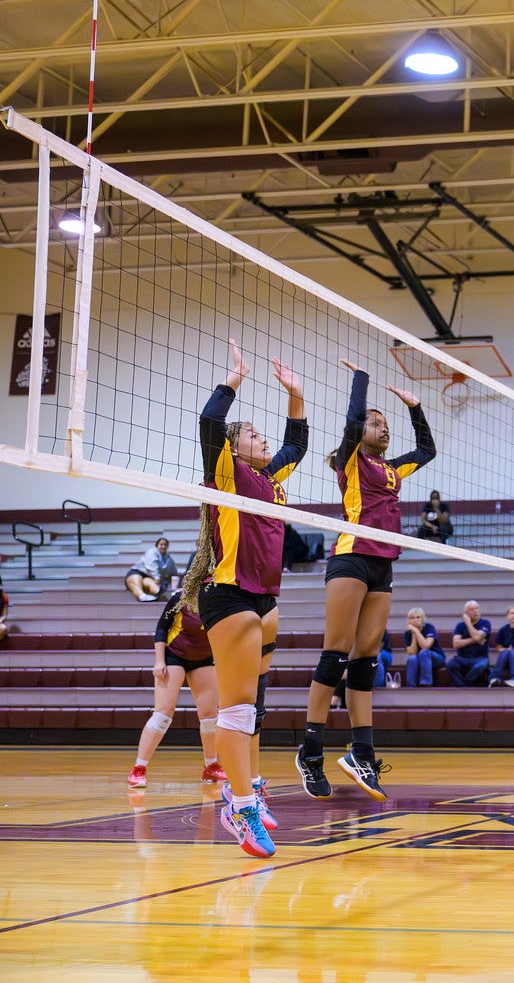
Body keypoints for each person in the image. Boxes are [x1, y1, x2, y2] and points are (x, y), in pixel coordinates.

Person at [187, 338, 306, 857]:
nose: (262, 438)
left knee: (253, 706)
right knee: (235, 712)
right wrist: (235, 379)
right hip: (230, 594)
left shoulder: (268, 477)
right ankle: (239, 807)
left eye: (262, 433)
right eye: (252, 434)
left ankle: (252, 787)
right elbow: (210, 423)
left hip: (263, 597)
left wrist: (295, 397)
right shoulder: (227, 472)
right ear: (235, 448)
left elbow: (296, 446)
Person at [297, 360, 434, 804]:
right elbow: (354, 422)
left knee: (366, 659)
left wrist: (414, 408)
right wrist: (362, 382)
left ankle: (361, 754)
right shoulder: (351, 460)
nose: (382, 428)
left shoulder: (394, 470)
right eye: (376, 423)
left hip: (383, 563)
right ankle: (312, 752)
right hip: (351, 557)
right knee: (335, 652)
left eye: (386, 424)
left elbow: (426, 450)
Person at [127, 591, 226, 790]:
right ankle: (138, 769)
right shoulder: (181, 598)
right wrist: (159, 661)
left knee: (210, 716)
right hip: (175, 655)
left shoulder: (222, 599)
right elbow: (162, 628)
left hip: (203, 658)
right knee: (163, 715)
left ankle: (211, 767)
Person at [447, 601, 492, 686]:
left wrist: (468, 623)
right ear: (466, 613)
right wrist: (475, 639)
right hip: (462, 658)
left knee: (481, 666)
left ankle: (464, 685)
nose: (475, 611)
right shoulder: (460, 625)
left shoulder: (485, 623)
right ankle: (463, 686)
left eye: (477, 608)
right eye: (471, 609)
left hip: (480, 658)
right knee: (450, 664)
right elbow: (456, 644)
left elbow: (478, 637)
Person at [401, 607, 446, 686]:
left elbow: (426, 646)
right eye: (412, 618)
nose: (415, 620)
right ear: (409, 620)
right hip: (419, 658)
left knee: (423, 653)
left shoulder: (429, 628)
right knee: (412, 659)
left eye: (418, 617)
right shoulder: (407, 634)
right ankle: (411, 687)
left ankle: (426, 684)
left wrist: (416, 631)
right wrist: (414, 634)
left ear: (422, 619)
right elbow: (412, 652)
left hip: (436, 658)